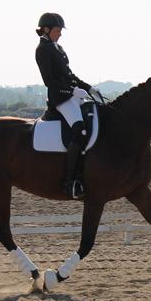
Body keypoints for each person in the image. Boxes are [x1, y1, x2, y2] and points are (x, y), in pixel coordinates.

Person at [35, 12, 100, 198]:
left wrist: (88, 88)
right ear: (46, 30)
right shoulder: (42, 49)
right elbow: (50, 81)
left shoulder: (58, 47)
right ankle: (70, 181)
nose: (60, 34)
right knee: (79, 130)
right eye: (57, 30)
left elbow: (70, 76)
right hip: (60, 99)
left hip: (72, 95)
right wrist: (72, 92)